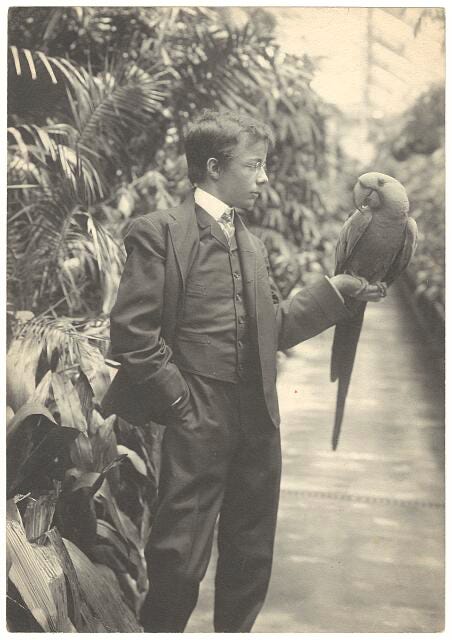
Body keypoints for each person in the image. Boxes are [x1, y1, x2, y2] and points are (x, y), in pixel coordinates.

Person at [102, 109, 384, 632]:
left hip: (258, 416)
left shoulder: (249, 244)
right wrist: (180, 403)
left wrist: (334, 292)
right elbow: (132, 334)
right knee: (178, 554)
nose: (264, 178)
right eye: (254, 166)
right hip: (197, 415)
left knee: (251, 555)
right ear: (214, 167)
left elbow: (271, 328)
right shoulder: (161, 232)